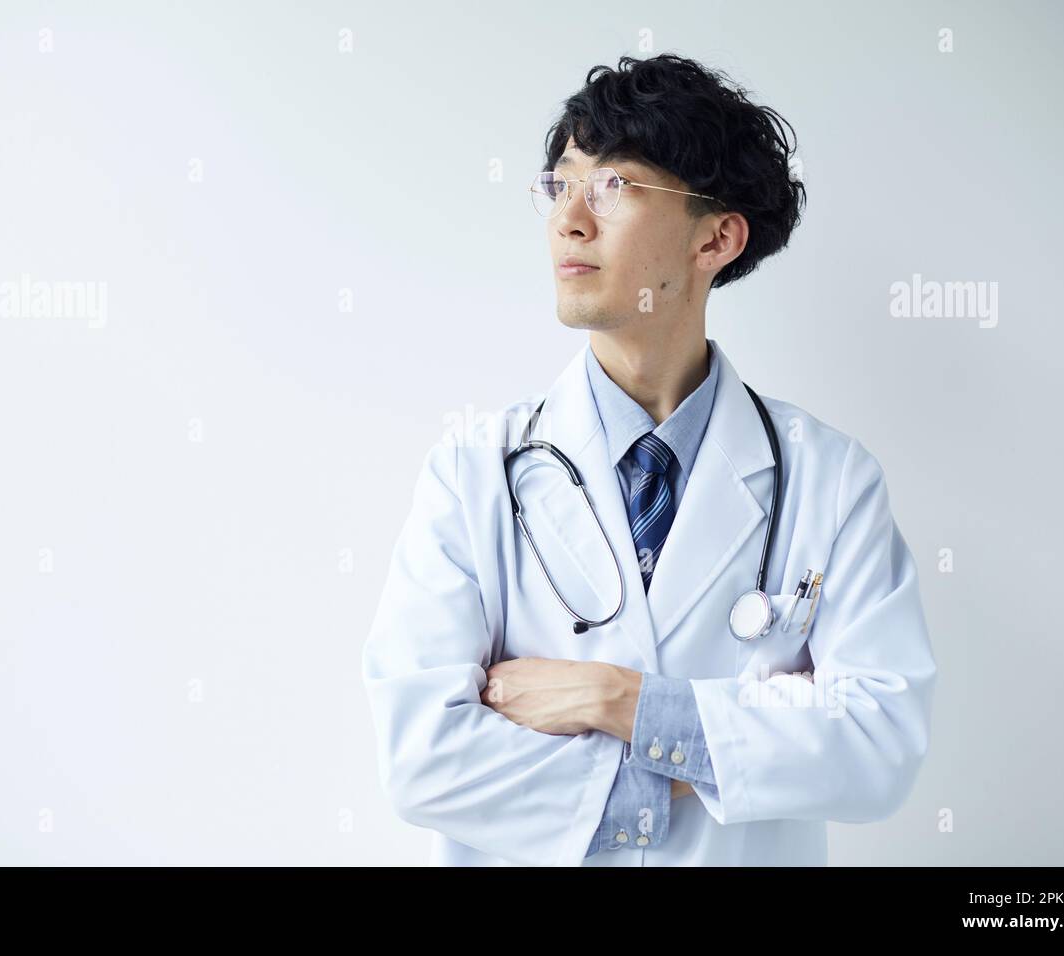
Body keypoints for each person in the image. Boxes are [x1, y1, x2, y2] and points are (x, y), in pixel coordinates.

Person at [362, 53, 936, 866]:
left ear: (717, 237)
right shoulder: (473, 470)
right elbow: (423, 758)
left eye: (613, 187)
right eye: (560, 185)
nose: (568, 219)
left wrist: (621, 703)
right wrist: (723, 748)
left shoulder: (831, 480)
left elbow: (879, 746)